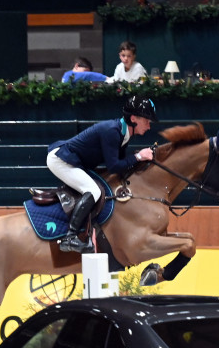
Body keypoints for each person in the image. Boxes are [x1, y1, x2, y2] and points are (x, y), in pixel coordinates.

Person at [46, 96, 157, 253]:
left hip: (73, 161)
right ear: (133, 119)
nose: (149, 126)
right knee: (93, 191)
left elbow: (120, 163)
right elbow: (114, 167)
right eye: (147, 121)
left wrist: (138, 159)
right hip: (61, 161)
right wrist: (138, 157)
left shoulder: (124, 134)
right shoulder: (112, 131)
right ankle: (69, 238)